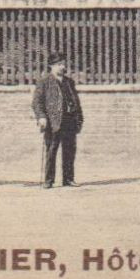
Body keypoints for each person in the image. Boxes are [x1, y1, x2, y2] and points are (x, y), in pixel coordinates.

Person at [32, 52, 84, 187]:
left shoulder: (69, 82)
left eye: (63, 64)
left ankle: (68, 179)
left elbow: (76, 101)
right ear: (51, 66)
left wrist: (79, 118)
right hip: (53, 121)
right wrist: (41, 117)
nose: (62, 67)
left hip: (69, 121)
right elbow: (37, 102)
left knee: (69, 151)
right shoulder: (44, 82)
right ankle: (49, 181)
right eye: (59, 64)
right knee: (51, 150)